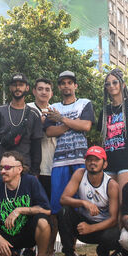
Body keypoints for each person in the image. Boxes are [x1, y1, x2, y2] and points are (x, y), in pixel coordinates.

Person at [57, 146, 121, 256]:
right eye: (89, 159)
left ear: (105, 164)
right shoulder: (80, 174)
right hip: (82, 225)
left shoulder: (111, 185)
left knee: (117, 234)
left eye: (97, 160)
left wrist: (91, 228)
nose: (92, 163)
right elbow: (63, 199)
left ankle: (103, 251)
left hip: (102, 229)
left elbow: (113, 220)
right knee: (64, 211)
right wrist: (83, 203)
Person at [45, 70, 94, 216]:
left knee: (80, 204)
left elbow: (86, 126)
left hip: (80, 160)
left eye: (69, 83)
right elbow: (49, 132)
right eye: (63, 83)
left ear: (75, 86)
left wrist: (61, 119)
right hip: (60, 161)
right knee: (57, 205)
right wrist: (73, 123)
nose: (66, 86)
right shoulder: (53, 107)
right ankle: (58, 239)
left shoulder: (84, 103)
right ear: (59, 87)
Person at [0, 73, 44, 181]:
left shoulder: (34, 114)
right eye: (15, 85)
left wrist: (36, 171)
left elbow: (36, 145)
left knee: (24, 198)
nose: (18, 88)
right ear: (10, 88)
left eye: (21, 85)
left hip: (25, 168)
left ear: (27, 88)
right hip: (3, 167)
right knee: (2, 198)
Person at [98, 69, 128, 192]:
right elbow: (102, 139)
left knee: (124, 201)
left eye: (115, 82)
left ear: (122, 85)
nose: (112, 86)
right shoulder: (104, 111)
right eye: (108, 84)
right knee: (111, 202)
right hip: (109, 162)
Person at [27, 78, 59, 256]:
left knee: (53, 211)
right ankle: (28, 249)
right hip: (33, 169)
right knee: (31, 209)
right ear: (34, 91)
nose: (44, 92)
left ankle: (49, 250)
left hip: (52, 167)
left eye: (47, 89)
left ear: (51, 93)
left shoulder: (56, 111)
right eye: (40, 89)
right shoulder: (28, 109)